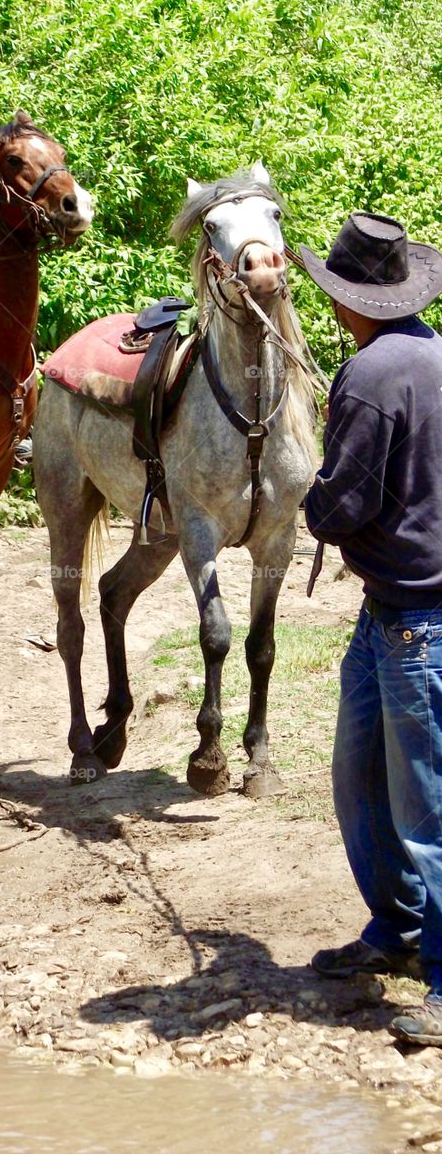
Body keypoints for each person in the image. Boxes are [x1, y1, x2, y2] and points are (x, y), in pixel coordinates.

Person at [302, 211, 442, 1046]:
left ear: (346, 300)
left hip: (414, 618)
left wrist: (305, 502)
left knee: (425, 809)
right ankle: (394, 931)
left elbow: (341, 505)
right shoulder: (430, 354)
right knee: (359, 776)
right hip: (390, 611)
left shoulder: (367, 378)